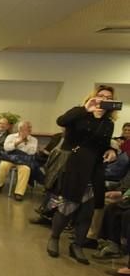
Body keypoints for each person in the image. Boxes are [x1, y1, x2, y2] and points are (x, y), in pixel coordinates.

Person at [45, 85, 117, 265]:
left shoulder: (108, 123)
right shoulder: (79, 113)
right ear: (94, 96)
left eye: (108, 97)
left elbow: (103, 144)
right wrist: (86, 109)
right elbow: (61, 121)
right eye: (101, 95)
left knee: (87, 211)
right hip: (75, 167)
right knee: (67, 205)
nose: (104, 99)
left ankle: (77, 245)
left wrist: (110, 150)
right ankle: (54, 238)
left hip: (95, 169)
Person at [0, 120, 38, 201]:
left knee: (26, 169)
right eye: (28, 128)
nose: (30, 130)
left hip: (23, 160)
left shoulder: (33, 140)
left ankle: (19, 193)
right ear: (20, 129)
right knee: (3, 165)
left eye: (30, 128)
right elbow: (6, 148)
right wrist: (18, 142)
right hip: (10, 158)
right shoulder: (11, 137)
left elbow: (32, 152)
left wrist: (25, 143)